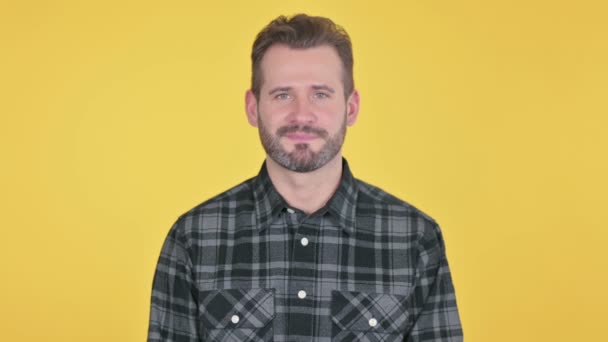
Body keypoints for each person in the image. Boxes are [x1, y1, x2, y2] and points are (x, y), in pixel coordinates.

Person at [147, 13, 463, 342]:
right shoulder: (193, 239)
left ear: (351, 107)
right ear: (253, 108)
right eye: (282, 94)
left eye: (320, 94)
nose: (301, 115)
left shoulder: (415, 240)